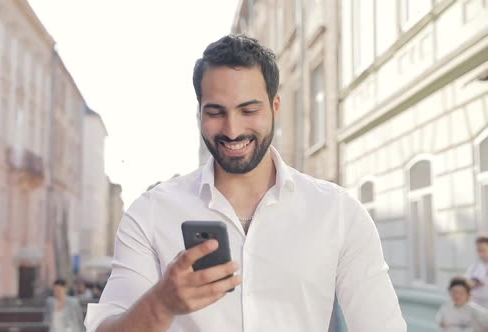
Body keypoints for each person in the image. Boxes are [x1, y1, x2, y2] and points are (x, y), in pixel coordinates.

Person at [84, 34, 406, 331]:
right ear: (199, 113)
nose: (232, 129)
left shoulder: (339, 213)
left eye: (248, 110)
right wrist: (162, 303)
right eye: (215, 112)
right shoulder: (150, 214)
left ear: (274, 107)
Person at [467, 234, 488, 308]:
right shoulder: (473, 267)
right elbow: (465, 285)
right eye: (478, 250)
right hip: (475, 308)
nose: (480, 254)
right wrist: (471, 284)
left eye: (483, 250)